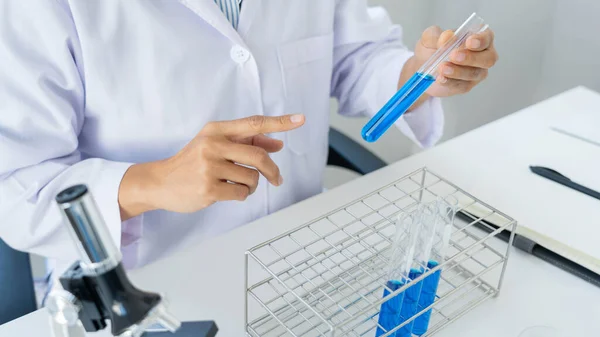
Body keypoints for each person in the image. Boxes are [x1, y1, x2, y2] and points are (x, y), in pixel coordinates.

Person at [0, 1, 498, 280]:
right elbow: (17, 190)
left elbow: (356, 57)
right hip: (145, 280)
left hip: (301, 256)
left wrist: (417, 75)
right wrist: (150, 182)